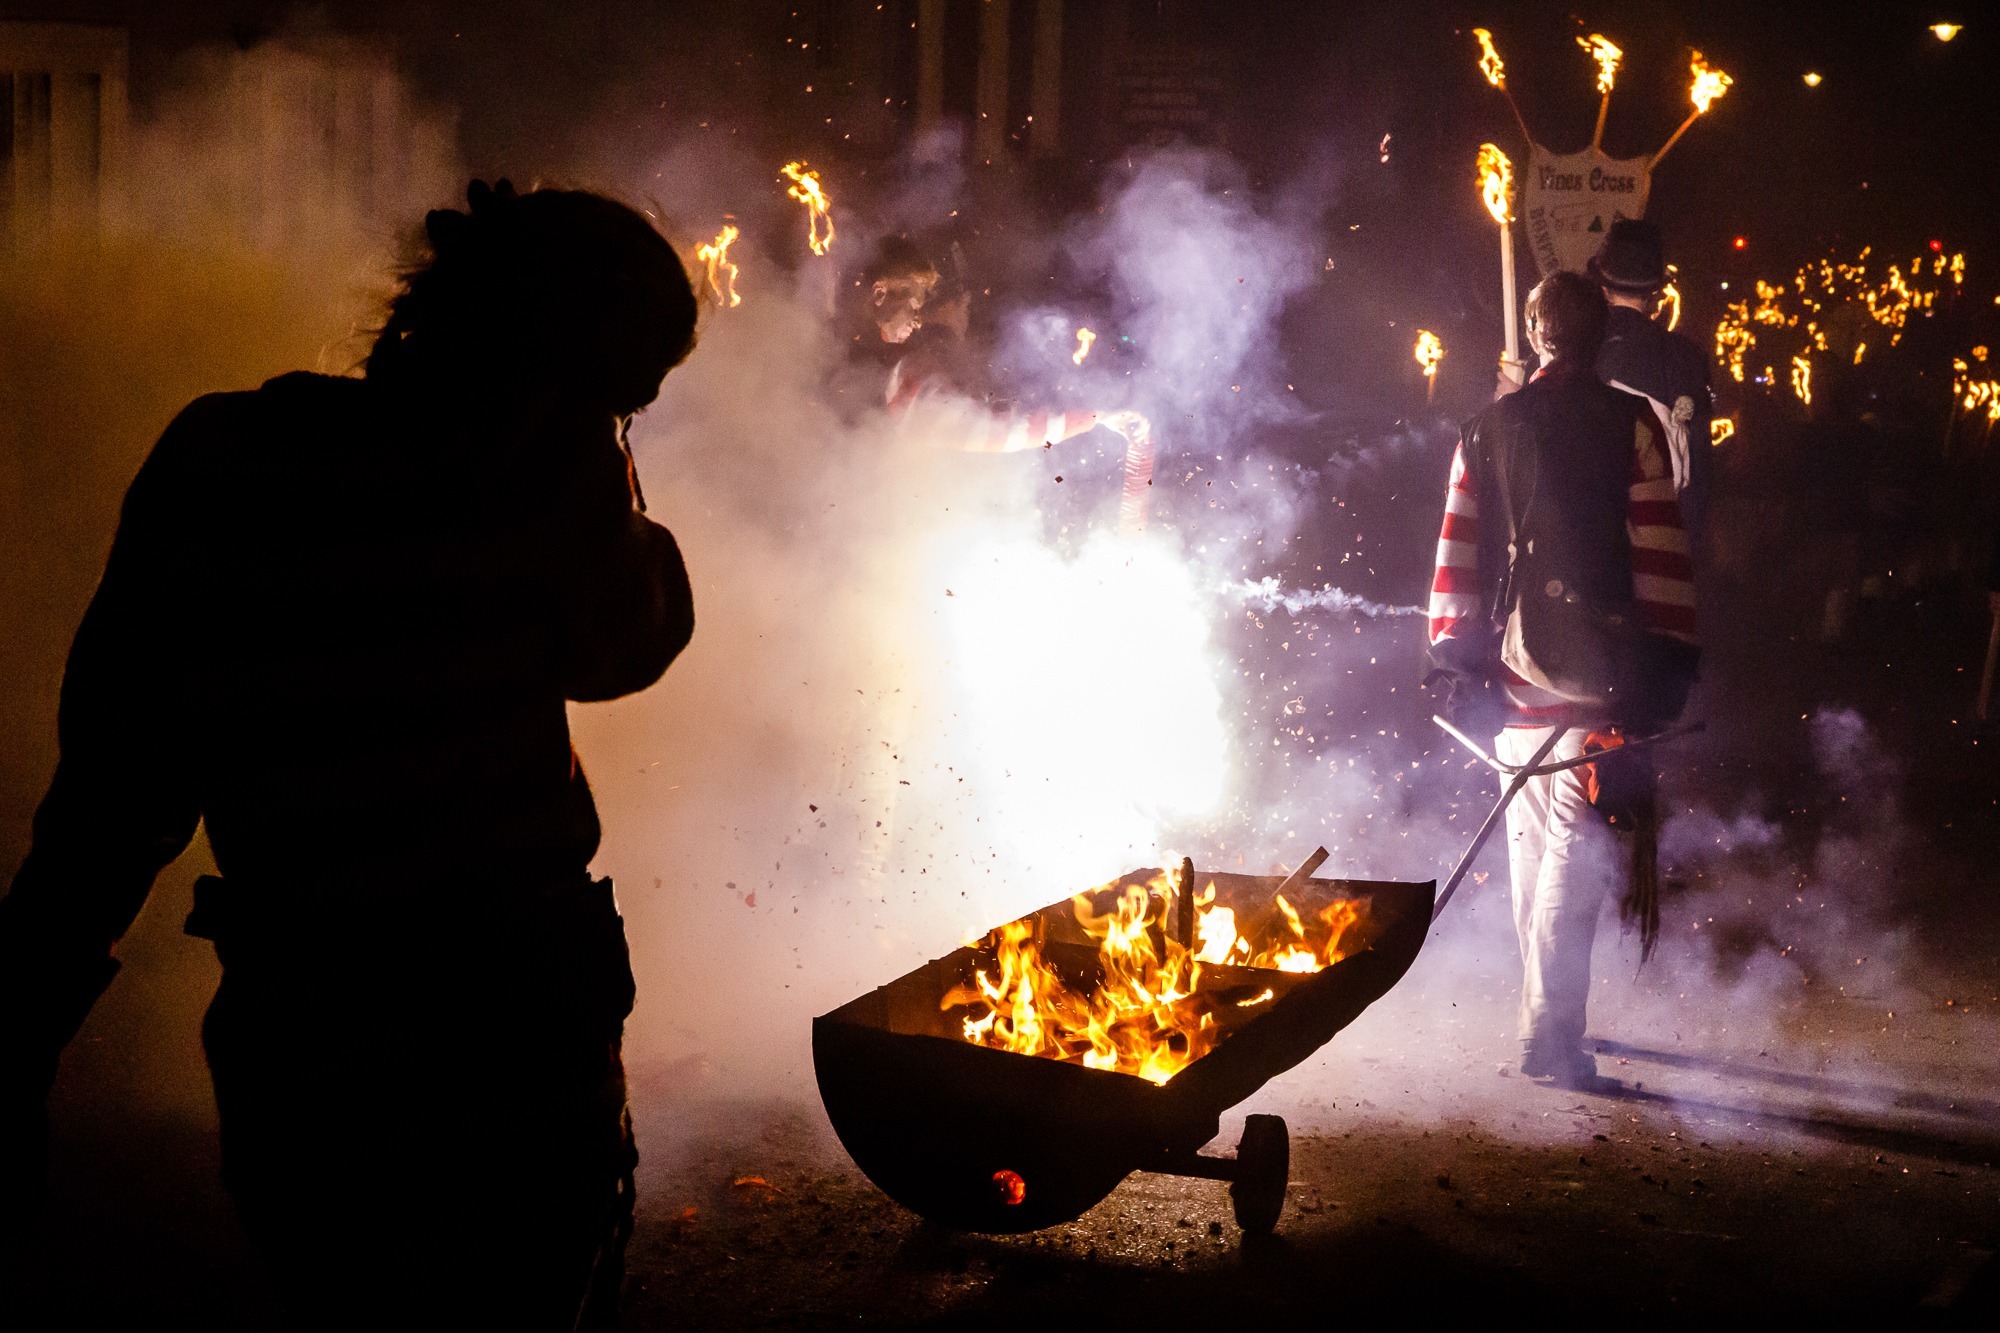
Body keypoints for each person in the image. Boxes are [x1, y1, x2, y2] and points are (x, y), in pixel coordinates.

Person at [0, 181, 697, 1327]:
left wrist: (24, 1017)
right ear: (578, 376)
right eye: (629, 394)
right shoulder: (530, 481)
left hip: (303, 1024)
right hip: (507, 1021)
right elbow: (628, 642)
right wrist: (592, 456)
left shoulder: (219, 454)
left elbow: (119, 778)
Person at [1427, 271, 1698, 1089]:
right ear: (1599, 338)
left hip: (1515, 681)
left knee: (1539, 855)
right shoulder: (1632, 422)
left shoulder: (1484, 428)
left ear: (1538, 333)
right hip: (1599, 685)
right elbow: (1660, 552)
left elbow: (1455, 560)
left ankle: (1545, 1020)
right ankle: (1549, 1036)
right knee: (1567, 869)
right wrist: (1667, 662)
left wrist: (1451, 658)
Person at [1588, 218, 1716, 547]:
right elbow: (1697, 469)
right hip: (1665, 540)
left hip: (1593, 543)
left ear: (1602, 287)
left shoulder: (1578, 349)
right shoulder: (1687, 358)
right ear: (1656, 292)